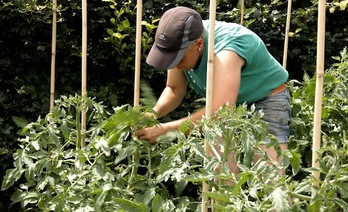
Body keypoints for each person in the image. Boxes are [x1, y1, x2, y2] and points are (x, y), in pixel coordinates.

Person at [135, 6, 290, 171]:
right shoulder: (180, 42)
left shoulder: (226, 52)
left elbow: (219, 112)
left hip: (265, 100)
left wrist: (165, 130)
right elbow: (175, 89)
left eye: (178, 60)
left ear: (199, 44)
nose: (175, 65)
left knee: (269, 176)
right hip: (225, 106)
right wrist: (153, 113)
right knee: (221, 174)